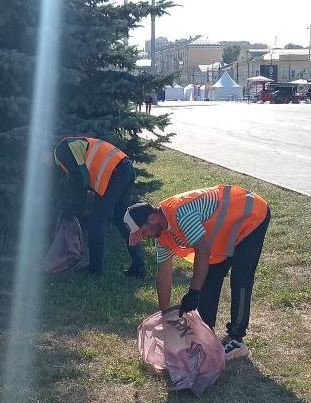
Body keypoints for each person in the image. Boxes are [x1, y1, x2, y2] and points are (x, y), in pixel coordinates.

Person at [124, 185, 270, 360]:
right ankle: (206, 333)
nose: (143, 237)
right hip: (225, 231)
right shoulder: (161, 236)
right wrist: (166, 318)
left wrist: (194, 292)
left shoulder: (180, 213)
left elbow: (202, 250)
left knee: (240, 279)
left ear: (152, 219)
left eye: (143, 232)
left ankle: (237, 340)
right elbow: (163, 275)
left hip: (250, 215)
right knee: (209, 277)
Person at [54, 136, 146, 277]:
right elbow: (82, 176)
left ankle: (95, 269)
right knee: (123, 219)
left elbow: (80, 179)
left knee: (96, 220)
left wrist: (74, 209)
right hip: (125, 167)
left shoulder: (61, 150)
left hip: (115, 173)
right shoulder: (70, 146)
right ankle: (139, 266)